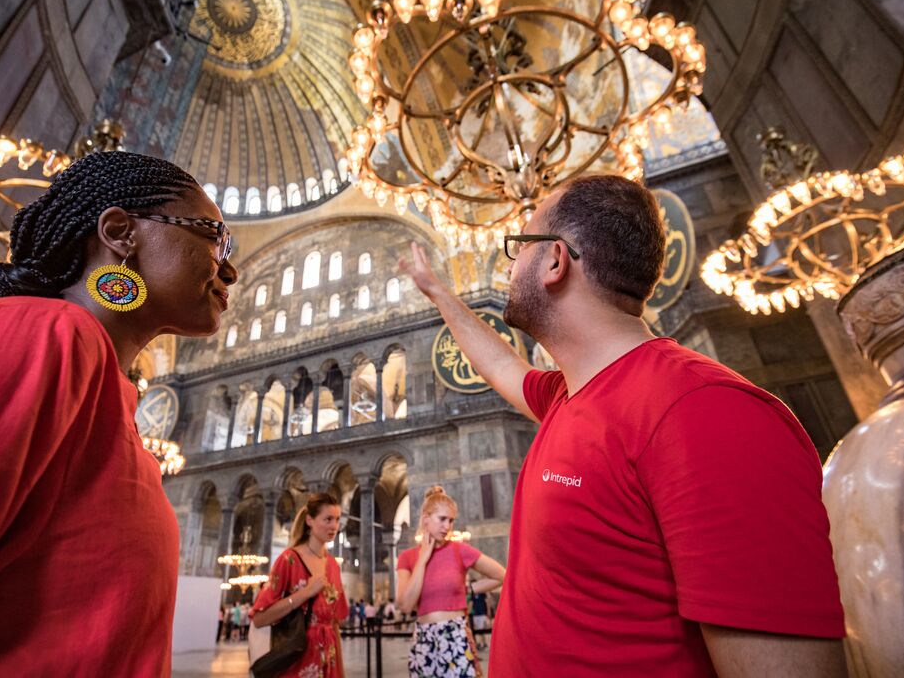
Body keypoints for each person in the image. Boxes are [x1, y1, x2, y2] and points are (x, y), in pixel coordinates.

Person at [398, 174, 848, 677]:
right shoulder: (567, 396)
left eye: (517, 247)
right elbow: (504, 368)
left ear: (554, 260)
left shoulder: (708, 414)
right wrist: (437, 292)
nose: (509, 266)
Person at [0, 151, 239, 675]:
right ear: (121, 232)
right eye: (214, 238)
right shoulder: (42, 338)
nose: (231, 269)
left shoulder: (107, 395)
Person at [396, 486, 506, 678]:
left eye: (451, 520)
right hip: (424, 638)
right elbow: (405, 604)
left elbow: (500, 575)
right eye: (442, 519)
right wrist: (423, 559)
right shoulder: (408, 557)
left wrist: (467, 589)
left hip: (456, 635)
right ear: (425, 518)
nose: (447, 527)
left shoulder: (459, 550)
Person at [250, 493, 348, 677]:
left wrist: (340, 672)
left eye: (337, 519)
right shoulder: (289, 560)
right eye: (327, 519)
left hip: (329, 657)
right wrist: (304, 593)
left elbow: (335, 624)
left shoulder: (333, 564)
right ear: (310, 520)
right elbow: (260, 618)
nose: (334, 526)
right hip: (298, 658)